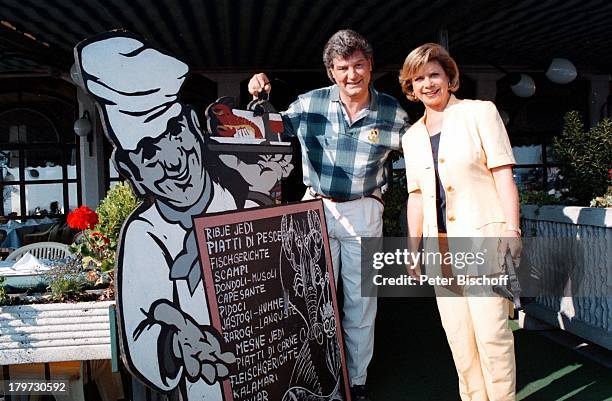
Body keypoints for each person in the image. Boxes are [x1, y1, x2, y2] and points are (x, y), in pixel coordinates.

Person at [75, 32, 292, 400]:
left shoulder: (251, 211)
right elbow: (139, 334)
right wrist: (175, 347)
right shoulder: (143, 235)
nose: (174, 161)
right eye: (148, 152)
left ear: (193, 128)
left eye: (175, 133)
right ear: (131, 171)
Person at [248, 29, 410, 401]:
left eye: (358, 65)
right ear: (331, 72)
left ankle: (357, 382)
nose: (351, 75)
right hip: (316, 207)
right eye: (342, 68)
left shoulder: (393, 113)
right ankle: (319, 377)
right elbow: (267, 130)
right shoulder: (309, 104)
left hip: (365, 210)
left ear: (370, 67)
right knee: (313, 301)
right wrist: (257, 95)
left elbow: (421, 155)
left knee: (361, 302)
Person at [400, 43, 522, 401]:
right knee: (459, 340)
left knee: (492, 335)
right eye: (418, 78)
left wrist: (512, 231)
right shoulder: (411, 137)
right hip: (439, 247)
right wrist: (413, 249)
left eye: (434, 74)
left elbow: (503, 176)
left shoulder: (480, 113)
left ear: (449, 77)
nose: (427, 84)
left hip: (484, 240)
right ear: (410, 86)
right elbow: (416, 196)